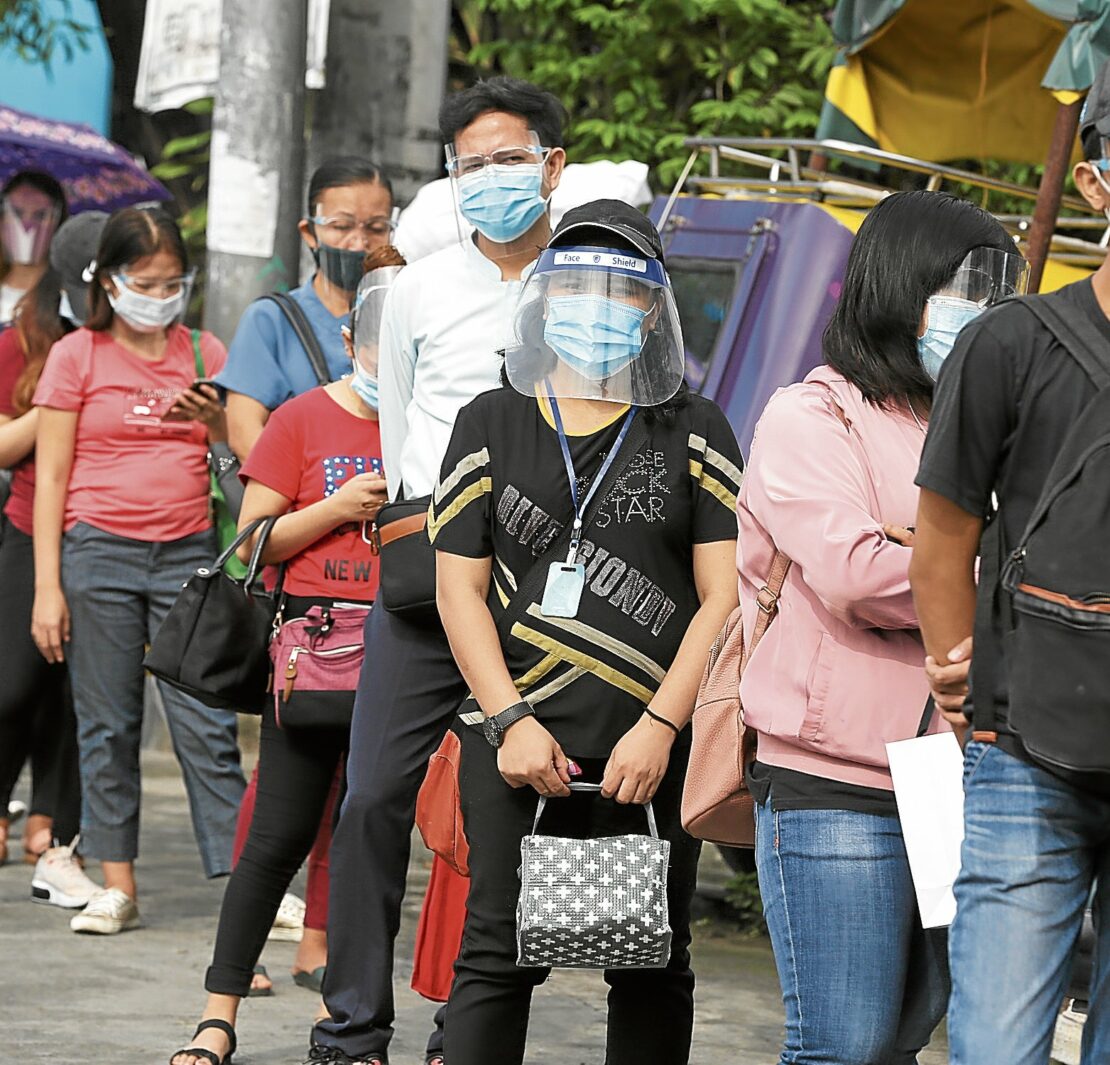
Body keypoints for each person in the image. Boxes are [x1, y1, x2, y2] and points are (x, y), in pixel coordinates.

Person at [431, 198, 740, 1064]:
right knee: (496, 956)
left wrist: (663, 727)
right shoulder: (490, 420)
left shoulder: (695, 427)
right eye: (575, 283)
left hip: (651, 748)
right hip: (514, 741)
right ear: (543, 297)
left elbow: (723, 597)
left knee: (652, 959)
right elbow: (457, 592)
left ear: (653, 308)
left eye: (621, 288)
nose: (596, 304)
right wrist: (510, 721)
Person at [736, 190, 1027, 1065]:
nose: (989, 312)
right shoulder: (813, 414)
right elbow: (857, 573)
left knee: (908, 1030)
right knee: (843, 1040)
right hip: (834, 776)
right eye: (967, 289)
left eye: (999, 289)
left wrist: (936, 555)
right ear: (904, 287)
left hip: (959, 767)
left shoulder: (995, 417)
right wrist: (1000, 578)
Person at [309, 76, 567, 1065]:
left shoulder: (591, 283)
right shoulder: (416, 286)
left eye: (509, 159)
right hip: (427, 577)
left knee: (503, 814)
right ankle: (352, 1028)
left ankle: (472, 1027)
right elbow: (400, 423)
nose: (490, 179)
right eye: (471, 166)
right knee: (374, 796)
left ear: (552, 164)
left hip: (542, 588)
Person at [910, 71, 1110, 1064]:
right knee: (994, 1047)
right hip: (1023, 754)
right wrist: (958, 670)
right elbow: (942, 536)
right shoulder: (1011, 345)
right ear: (1093, 182)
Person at [169, 263, 393, 1065]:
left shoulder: (438, 423)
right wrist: (333, 510)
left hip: (407, 656)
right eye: (379, 341)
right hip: (314, 655)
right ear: (349, 342)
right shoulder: (300, 419)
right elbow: (252, 543)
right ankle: (216, 1015)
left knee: (374, 839)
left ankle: (360, 1026)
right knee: (275, 840)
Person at [31, 205, 245, 935]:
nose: (159, 294)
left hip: (187, 555)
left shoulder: (205, 351)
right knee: (107, 724)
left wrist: (213, 422)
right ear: (110, 281)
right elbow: (51, 479)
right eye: (144, 281)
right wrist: (47, 588)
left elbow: (244, 458)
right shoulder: (77, 356)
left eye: (172, 280)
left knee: (207, 721)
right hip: (98, 553)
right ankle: (117, 882)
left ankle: (244, 885)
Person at [0, 211, 105, 893]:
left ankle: (54, 826)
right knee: (13, 683)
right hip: (26, 524)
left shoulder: (139, 345)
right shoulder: (22, 340)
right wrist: (64, 392)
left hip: (102, 534)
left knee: (78, 693)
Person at [216, 157, 394, 461]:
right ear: (310, 233)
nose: (359, 242)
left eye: (376, 228)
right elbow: (244, 434)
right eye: (342, 226)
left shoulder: (405, 314)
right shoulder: (270, 321)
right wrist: (312, 502)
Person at [1, 171, 66, 325]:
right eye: (17, 213)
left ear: (57, 223)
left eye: (40, 215)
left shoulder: (67, 301)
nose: (27, 225)